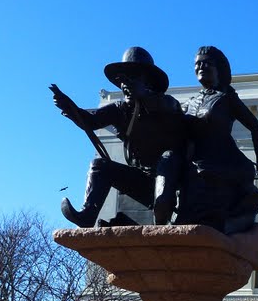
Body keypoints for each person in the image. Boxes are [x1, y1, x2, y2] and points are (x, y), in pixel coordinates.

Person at [52, 47, 189, 227]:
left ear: (147, 81)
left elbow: (170, 114)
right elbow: (91, 121)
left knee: (167, 159)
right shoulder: (120, 109)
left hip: (175, 185)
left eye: (132, 78)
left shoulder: (167, 103)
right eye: (123, 79)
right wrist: (69, 107)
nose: (125, 84)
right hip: (144, 182)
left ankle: (161, 227)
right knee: (99, 166)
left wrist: (143, 95)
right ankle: (87, 215)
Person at [178, 46, 258, 234]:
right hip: (194, 160)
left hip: (221, 160)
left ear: (218, 68)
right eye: (197, 64)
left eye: (206, 63)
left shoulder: (226, 98)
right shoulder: (189, 103)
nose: (201, 67)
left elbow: (255, 126)